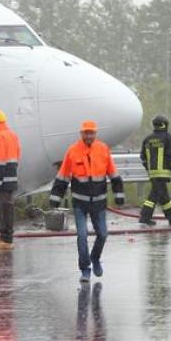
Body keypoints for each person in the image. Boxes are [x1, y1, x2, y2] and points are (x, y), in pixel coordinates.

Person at [50, 120, 124, 283]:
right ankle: (85, 269)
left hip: (99, 203)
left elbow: (113, 174)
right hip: (80, 204)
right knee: (82, 236)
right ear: (81, 133)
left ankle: (95, 258)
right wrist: (55, 198)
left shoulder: (103, 149)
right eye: (86, 133)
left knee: (103, 235)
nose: (89, 136)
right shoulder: (73, 151)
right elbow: (63, 177)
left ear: (95, 134)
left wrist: (119, 194)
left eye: (91, 133)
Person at [139, 115, 171, 227]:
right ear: (164, 125)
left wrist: (148, 168)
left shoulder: (147, 139)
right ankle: (145, 217)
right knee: (155, 196)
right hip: (163, 173)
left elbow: (142, 157)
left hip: (152, 173)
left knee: (162, 195)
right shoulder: (168, 138)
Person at [0, 109, 21, 250]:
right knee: (8, 209)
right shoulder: (12, 135)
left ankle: (5, 240)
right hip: (11, 178)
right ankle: (7, 238)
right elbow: (17, 156)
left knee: (3, 209)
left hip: (1, 181)